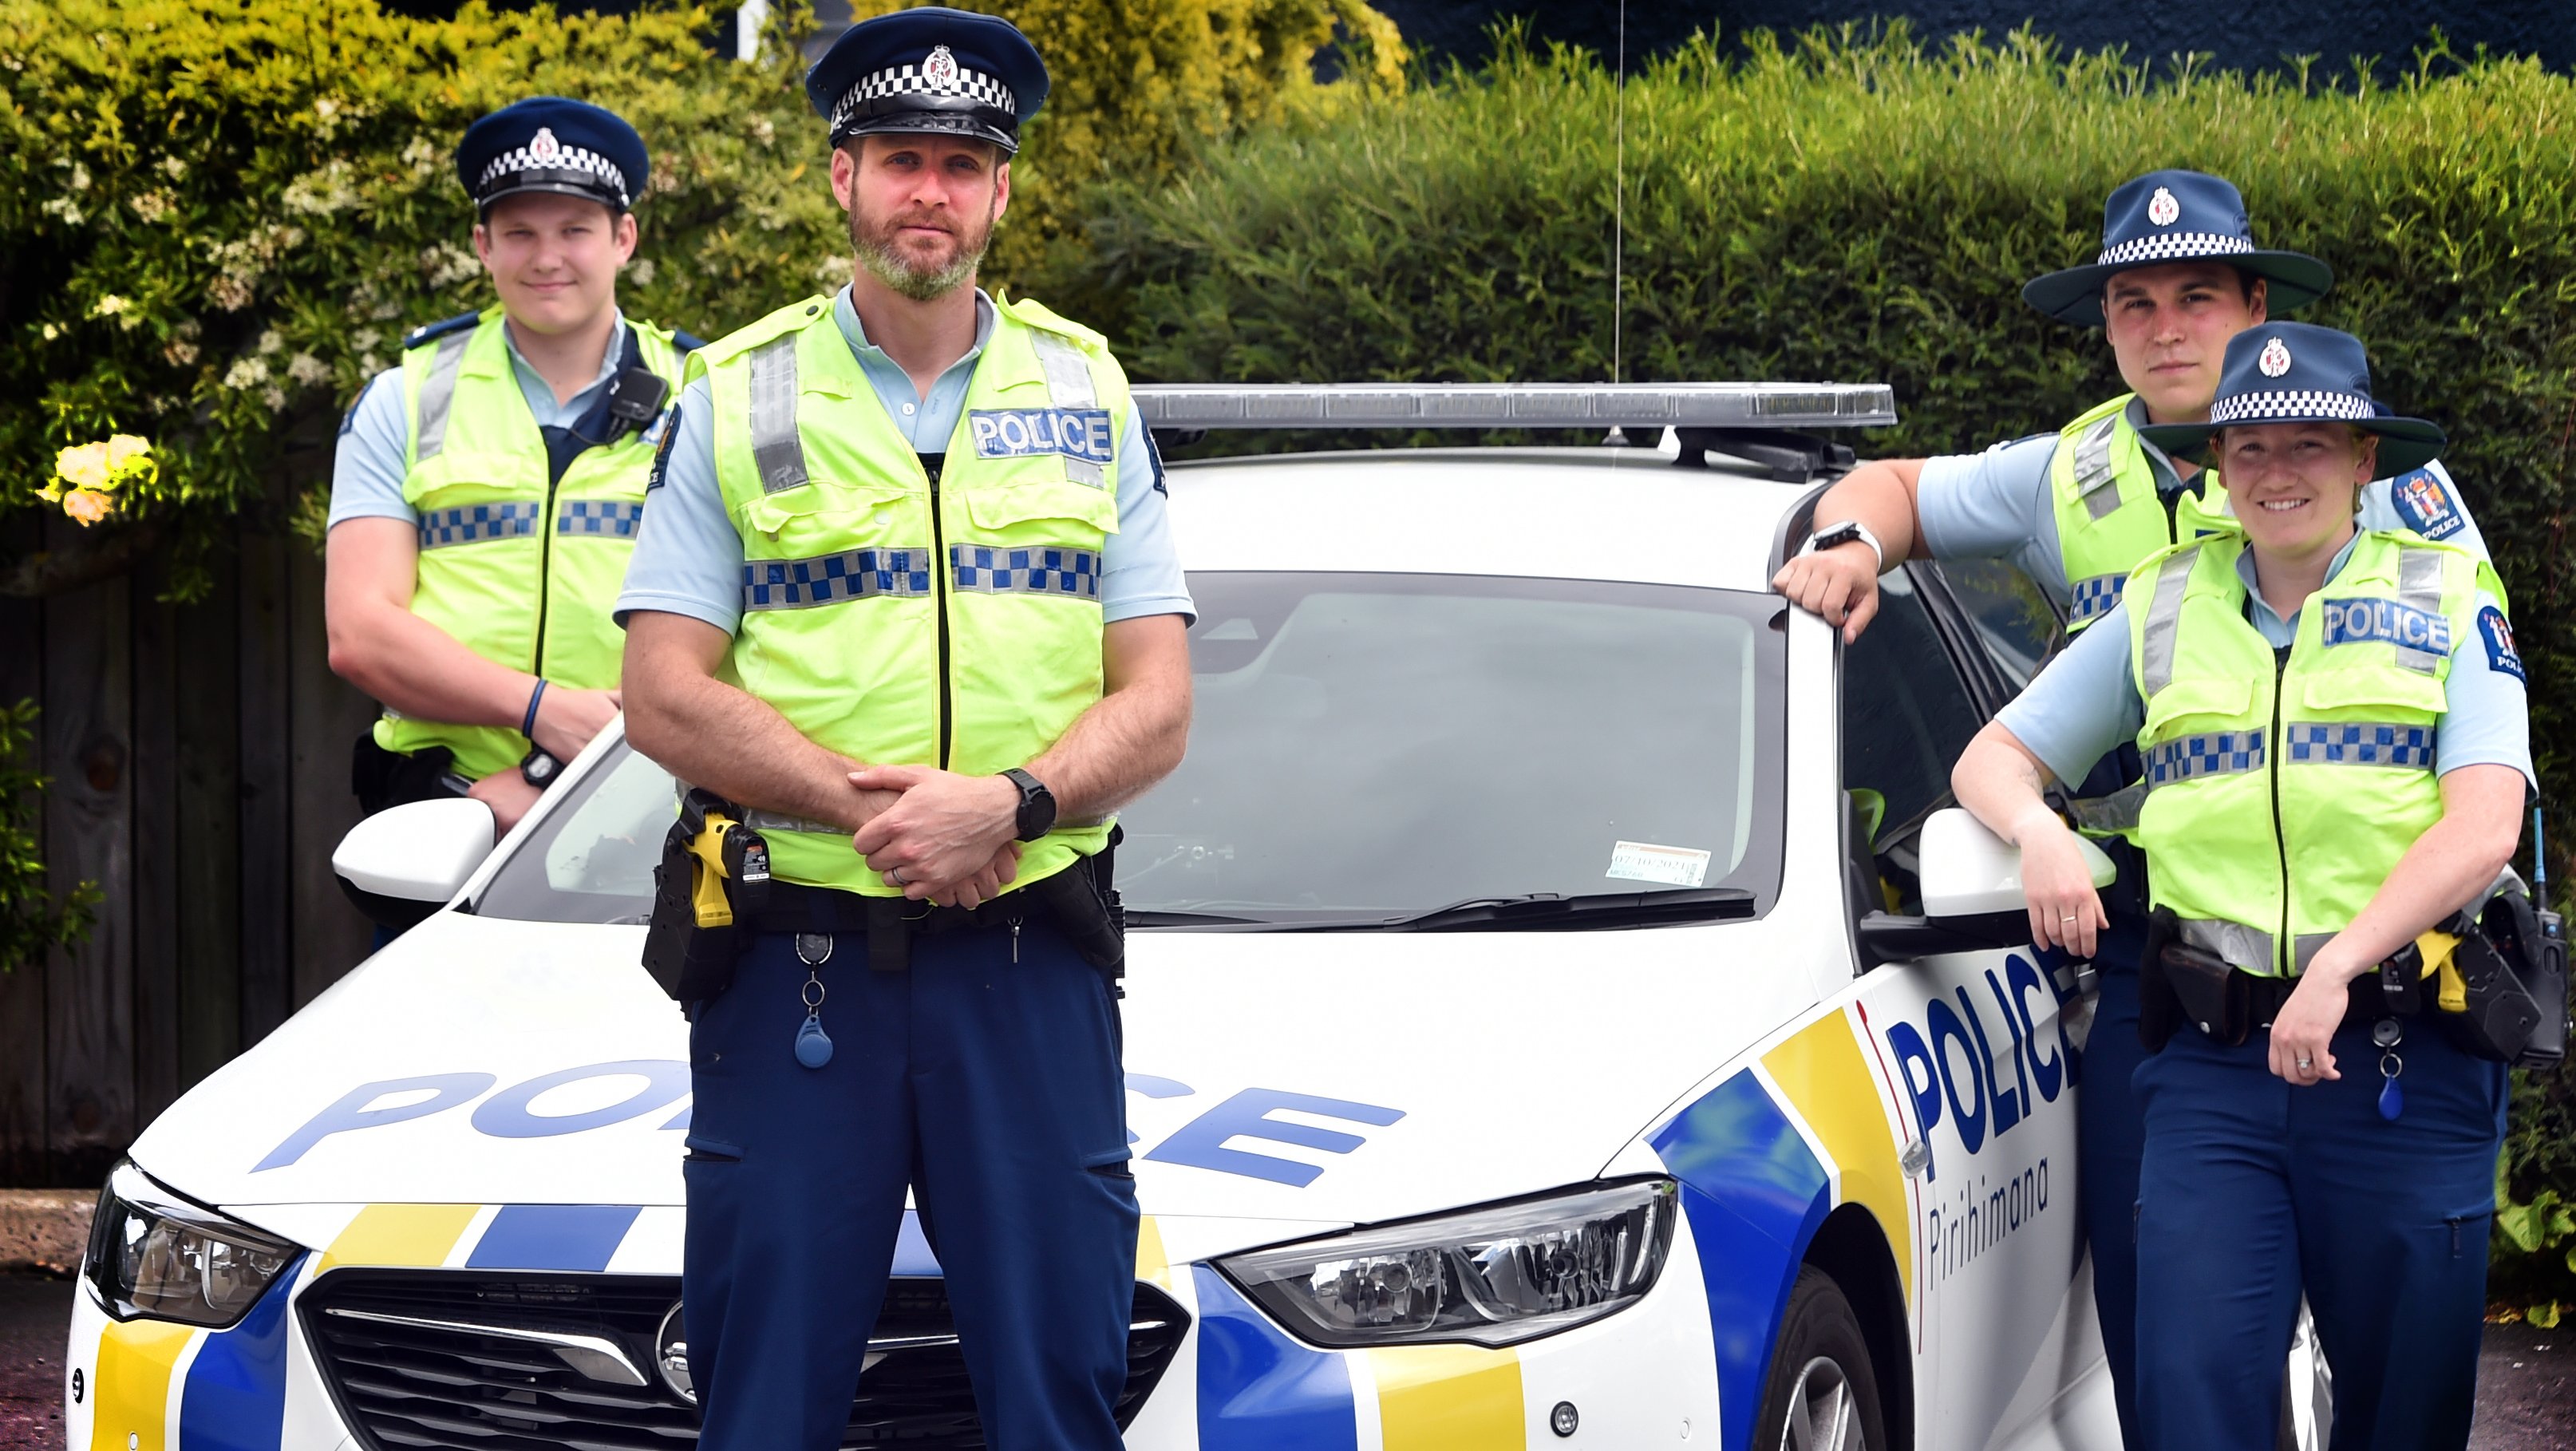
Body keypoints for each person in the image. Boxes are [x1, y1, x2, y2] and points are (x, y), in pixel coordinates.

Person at [1770, 168, 2495, 1444]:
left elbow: (2477, 773)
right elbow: (1893, 493)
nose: (2165, 328)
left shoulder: (2404, 518)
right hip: (2149, 962)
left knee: (2398, 1373)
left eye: (2197, 296)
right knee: (2175, 1355)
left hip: (2377, 968)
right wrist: (1846, 546)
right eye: (2134, 303)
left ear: (2254, 304)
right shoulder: (2073, 474)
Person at [614, 7, 1194, 1449]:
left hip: (1027, 966)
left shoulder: (1086, 388)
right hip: (796, 975)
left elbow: (1158, 697)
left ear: (1000, 194)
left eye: (958, 163)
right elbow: (661, 690)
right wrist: (872, 812)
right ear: (841, 180)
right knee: (762, 1407)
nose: (925, 190)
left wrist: (1007, 803)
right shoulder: (732, 393)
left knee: (1058, 1400)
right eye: (897, 160)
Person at [1951, 322, 2529, 1450]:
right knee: (2191, 1404)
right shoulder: (2163, 605)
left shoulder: (2451, 595)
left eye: (2311, 443)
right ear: (2216, 463)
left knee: (2405, 1420)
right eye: (2251, 446)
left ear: (2365, 461)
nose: (2278, 471)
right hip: (2212, 1079)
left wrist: (2342, 963)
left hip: (2399, 1068)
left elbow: (2485, 823)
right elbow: (1992, 757)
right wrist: (2040, 830)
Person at [326, 97, 699, 834]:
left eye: (575, 230)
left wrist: (557, 766)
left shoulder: (705, 395)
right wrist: (541, 710)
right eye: (519, 233)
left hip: (649, 812)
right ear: (482, 245)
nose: (548, 257)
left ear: (624, 238)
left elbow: (741, 628)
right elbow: (360, 631)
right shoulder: (404, 397)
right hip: (444, 810)